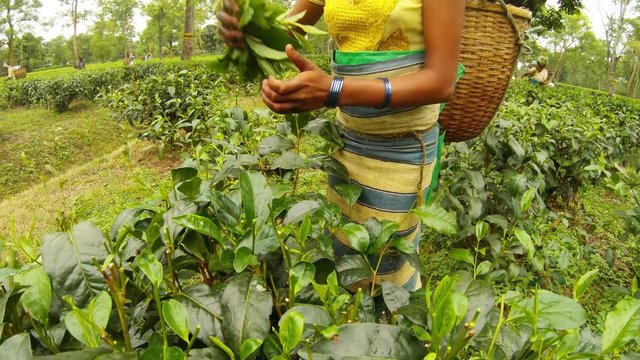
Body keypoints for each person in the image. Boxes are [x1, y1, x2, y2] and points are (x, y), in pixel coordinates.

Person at [219, 0, 464, 291]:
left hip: (403, 149)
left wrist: (334, 89)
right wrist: (248, 30)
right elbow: (287, 36)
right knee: (345, 253)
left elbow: (441, 81)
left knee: (387, 270)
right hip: (348, 144)